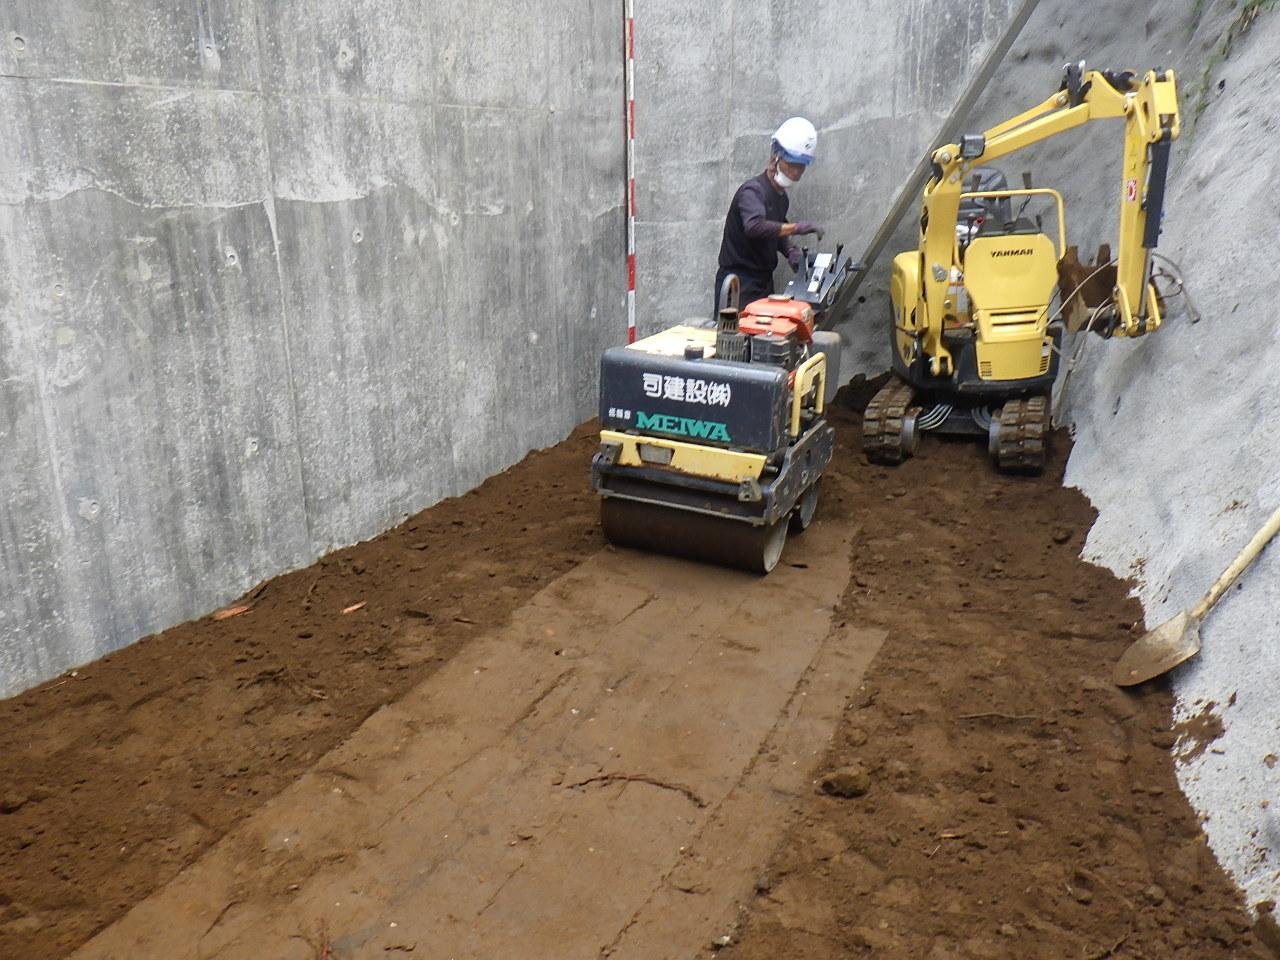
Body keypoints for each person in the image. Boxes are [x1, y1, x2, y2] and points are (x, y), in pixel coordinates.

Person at [714, 117, 824, 317]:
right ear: (776, 157)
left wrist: (789, 250)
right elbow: (755, 227)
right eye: (793, 164)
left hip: (763, 282)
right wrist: (796, 228)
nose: (798, 171)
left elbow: (776, 230)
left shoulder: (781, 197)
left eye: (802, 166)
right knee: (736, 342)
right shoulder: (752, 192)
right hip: (739, 283)